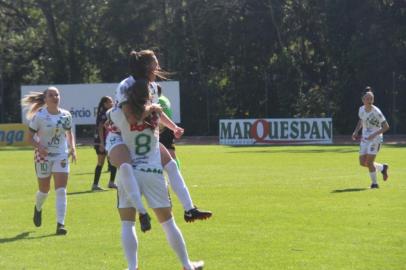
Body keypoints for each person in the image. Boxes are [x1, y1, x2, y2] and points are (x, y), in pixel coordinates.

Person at [106, 50, 211, 228]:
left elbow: (154, 113)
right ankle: (141, 211)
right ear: (147, 66)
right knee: (126, 167)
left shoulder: (152, 86)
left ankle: (189, 208)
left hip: (141, 134)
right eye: (155, 62)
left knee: (171, 164)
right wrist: (154, 107)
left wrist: (173, 127)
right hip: (121, 136)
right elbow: (132, 118)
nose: (159, 66)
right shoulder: (126, 85)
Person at [108, 79, 204, 270]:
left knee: (128, 223)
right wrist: (158, 114)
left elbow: (131, 118)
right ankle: (186, 264)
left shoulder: (118, 111)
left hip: (133, 164)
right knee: (167, 222)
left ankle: (133, 267)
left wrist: (170, 125)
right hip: (147, 164)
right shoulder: (143, 111)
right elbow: (142, 117)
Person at [21, 86, 76, 235]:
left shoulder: (66, 115)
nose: (55, 97)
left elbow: (69, 132)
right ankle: (38, 208)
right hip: (43, 157)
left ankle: (60, 224)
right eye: (51, 95)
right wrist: (39, 147)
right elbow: (28, 138)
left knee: (61, 190)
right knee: (44, 191)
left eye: (56, 94)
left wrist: (73, 148)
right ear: (45, 99)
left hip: (61, 155)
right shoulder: (39, 116)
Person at [352, 86, 390, 189]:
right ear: (363, 100)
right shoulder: (361, 110)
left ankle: (374, 184)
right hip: (365, 138)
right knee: (362, 162)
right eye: (367, 99)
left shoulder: (376, 112)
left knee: (369, 162)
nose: (370, 101)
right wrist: (356, 131)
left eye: (371, 99)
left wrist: (374, 134)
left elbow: (386, 127)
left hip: (375, 139)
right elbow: (361, 121)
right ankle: (382, 168)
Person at [92, 96, 117, 191]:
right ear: (105, 104)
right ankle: (95, 185)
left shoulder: (109, 113)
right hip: (101, 141)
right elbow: (100, 128)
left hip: (108, 141)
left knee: (113, 161)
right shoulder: (103, 114)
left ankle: (111, 182)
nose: (112, 103)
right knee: (100, 162)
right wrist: (102, 143)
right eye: (110, 102)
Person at [157, 84, 180, 167]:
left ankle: (174, 173)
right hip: (168, 127)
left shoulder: (159, 100)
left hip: (163, 129)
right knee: (171, 153)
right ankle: (177, 172)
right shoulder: (165, 99)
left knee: (168, 154)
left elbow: (159, 115)